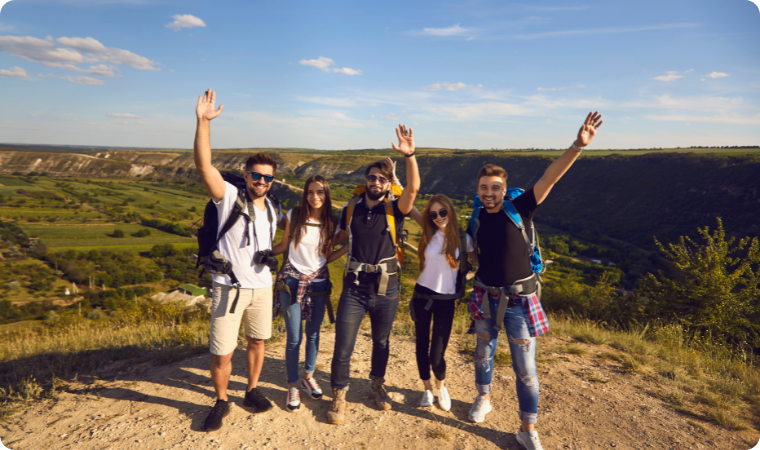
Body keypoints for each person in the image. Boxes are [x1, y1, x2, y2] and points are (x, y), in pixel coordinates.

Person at [467, 112, 603, 450]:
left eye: (495, 187)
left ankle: (527, 428)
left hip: (518, 302)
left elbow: (550, 177)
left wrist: (577, 146)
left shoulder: (521, 207)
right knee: (483, 354)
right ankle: (484, 398)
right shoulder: (476, 215)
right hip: (486, 298)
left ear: (503, 189)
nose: (489, 192)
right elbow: (474, 252)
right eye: (484, 187)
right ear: (478, 189)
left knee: (526, 370)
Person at [194, 89, 283, 432]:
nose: (261, 181)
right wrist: (203, 122)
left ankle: (251, 390)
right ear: (246, 176)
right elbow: (204, 165)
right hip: (229, 289)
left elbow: (273, 243)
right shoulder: (229, 198)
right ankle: (221, 400)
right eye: (256, 175)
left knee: (258, 342)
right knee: (223, 352)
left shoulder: (273, 209)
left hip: (262, 287)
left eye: (267, 177)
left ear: (272, 181)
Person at [325, 125, 420, 425]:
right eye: (371, 177)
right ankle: (338, 394)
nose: (376, 181)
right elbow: (339, 239)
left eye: (382, 178)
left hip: (386, 288)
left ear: (388, 182)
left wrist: (409, 156)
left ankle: (377, 386)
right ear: (365, 181)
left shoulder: (395, 208)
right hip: (353, 287)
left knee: (382, 342)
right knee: (343, 345)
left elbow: (414, 190)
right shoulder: (351, 208)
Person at [271, 175, 335, 412]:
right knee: (294, 338)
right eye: (310, 192)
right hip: (291, 281)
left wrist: (348, 246)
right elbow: (284, 246)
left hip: (318, 284)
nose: (315, 197)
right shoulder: (294, 216)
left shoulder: (331, 222)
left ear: (326, 194)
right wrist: (263, 254)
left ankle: (309, 375)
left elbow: (327, 256)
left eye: (320, 192)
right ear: (305, 194)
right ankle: (293, 385)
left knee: (314, 334)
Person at [409, 194, 475, 411]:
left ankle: (441, 387)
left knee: (437, 353)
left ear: (450, 212)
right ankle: (427, 389)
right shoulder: (429, 232)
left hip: (445, 301)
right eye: (434, 214)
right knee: (421, 346)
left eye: (443, 212)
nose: (438, 217)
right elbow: (409, 203)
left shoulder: (463, 239)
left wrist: (464, 278)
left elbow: (478, 263)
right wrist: (396, 179)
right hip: (421, 298)